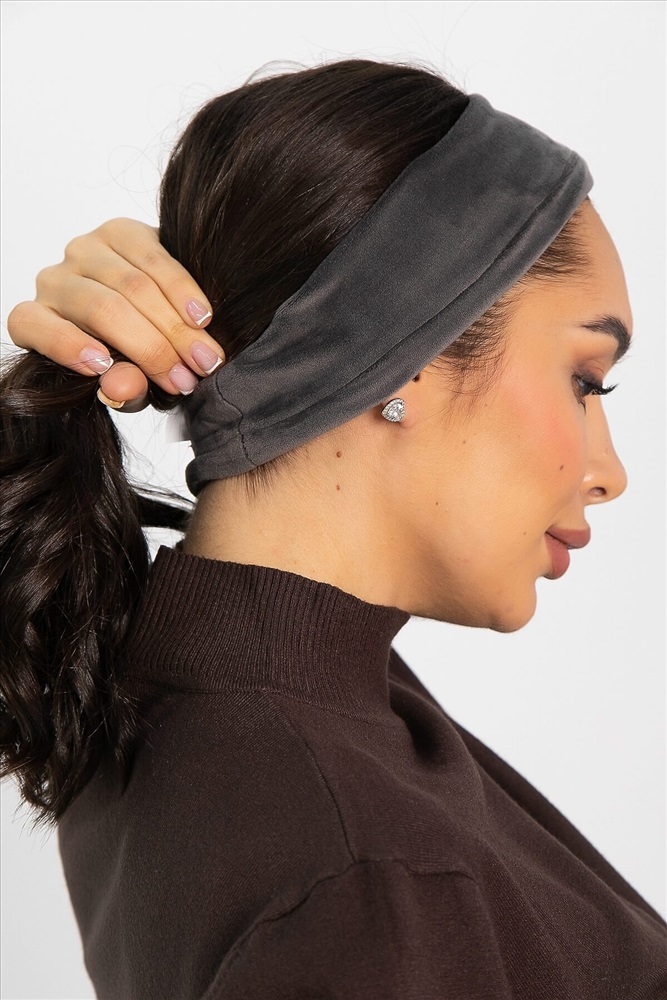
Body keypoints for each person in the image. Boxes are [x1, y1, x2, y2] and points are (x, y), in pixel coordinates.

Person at [2, 59, 665, 999]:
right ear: (405, 352)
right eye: (584, 381)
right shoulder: (363, 875)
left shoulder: (192, 686)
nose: (609, 473)